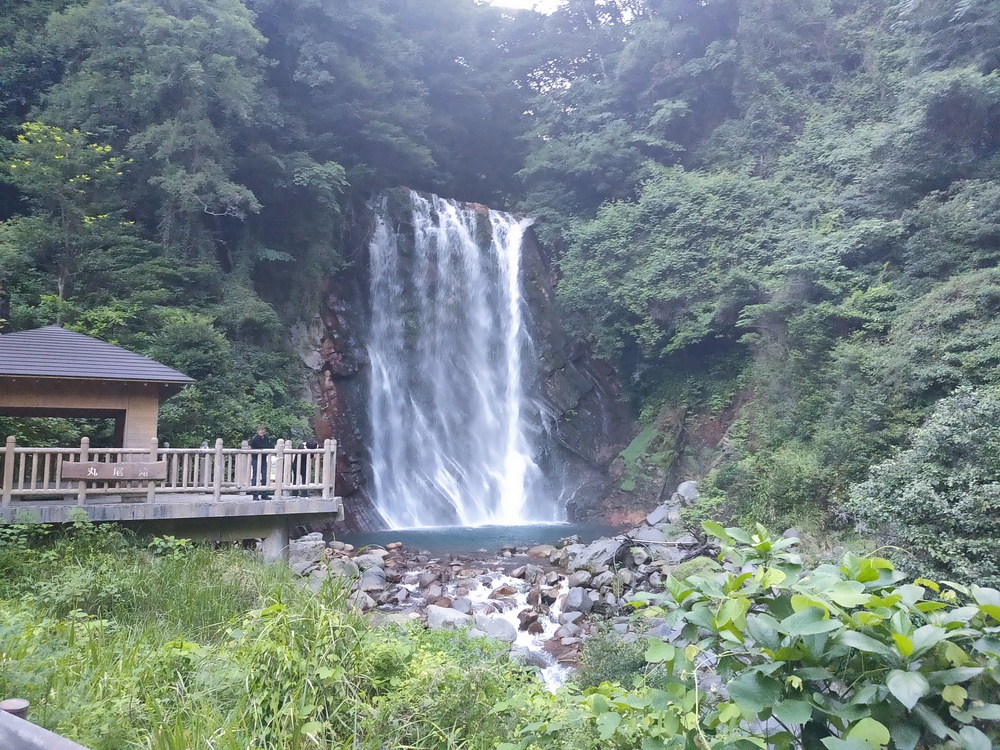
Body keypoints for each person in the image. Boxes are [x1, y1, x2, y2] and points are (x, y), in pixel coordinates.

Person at [248, 425, 272, 500]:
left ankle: (264, 494)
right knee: (255, 477)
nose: (262, 432)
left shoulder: (266, 438)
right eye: (260, 430)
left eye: (263, 430)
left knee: (265, 476)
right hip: (256, 459)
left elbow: (267, 446)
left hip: (264, 459)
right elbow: (250, 447)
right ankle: (255, 494)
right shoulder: (255, 438)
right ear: (258, 431)